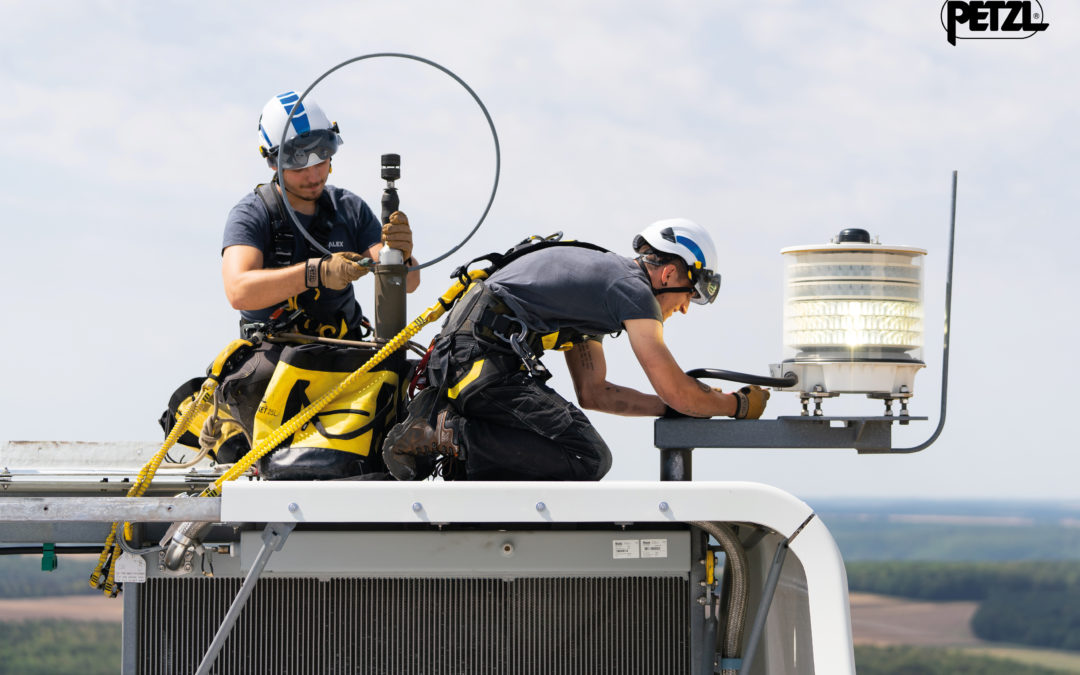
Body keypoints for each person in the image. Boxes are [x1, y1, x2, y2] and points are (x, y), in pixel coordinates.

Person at [382, 218, 769, 481]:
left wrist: (674, 407)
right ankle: (444, 433)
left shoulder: (599, 294)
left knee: (570, 451)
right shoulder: (631, 290)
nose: (685, 307)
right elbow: (677, 390)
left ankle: (447, 437)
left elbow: (595, 392)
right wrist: (734, 405)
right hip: (482, 360)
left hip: (470, 360)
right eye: (690, 294)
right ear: (669, 274)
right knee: (587, 456)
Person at [222, 90, 419, 339]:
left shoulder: (349, 209)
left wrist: (402, 257)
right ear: (273, 163)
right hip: (273, 356)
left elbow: (409, 284)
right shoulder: (252, 214)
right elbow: (238, 291)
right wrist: (317, 273)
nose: (314, 177)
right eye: (300, 167)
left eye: (321, 161)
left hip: (345, 355)